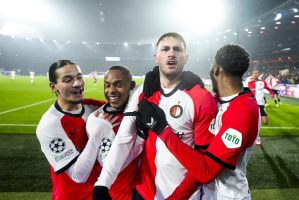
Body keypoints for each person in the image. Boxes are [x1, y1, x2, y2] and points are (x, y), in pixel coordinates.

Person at [93, 32, 217, 199]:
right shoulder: (143, 92)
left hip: (185, 196)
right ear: (156, 57)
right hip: (144, 192)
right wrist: (103, 183)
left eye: (177, 49)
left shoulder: (201, 98)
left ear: (186, 57)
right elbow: (124, 138)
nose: (171, 53)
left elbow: (205, 163)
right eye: (165, 49)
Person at [137, 44, 260, 200]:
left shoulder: (243, 112)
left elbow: (206, 171)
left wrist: (161, 129)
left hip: (228, 196)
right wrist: (165, 76)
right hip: (208, 194)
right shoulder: (221, 101)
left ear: (216, 70)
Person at [36, 60, 112, 200]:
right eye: (68, 80)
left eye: (79, 77)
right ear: (53, 87)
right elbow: (78, 176)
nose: (77, 84)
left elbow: (125, 107)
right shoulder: (49, 124)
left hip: (102, 194)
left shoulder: (93, 107)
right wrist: (98, 132)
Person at [86, 65, 144, 200]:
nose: (111, 90)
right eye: (107, 85)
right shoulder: (97, 119)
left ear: (131, 86)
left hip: (142, 192)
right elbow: (110, 162)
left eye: (118, 85)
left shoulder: (143, 113)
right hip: (111, 194)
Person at [247, 70, 274, 145]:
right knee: (252, 122)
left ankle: (256, 136)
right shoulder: (248, 83)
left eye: (257, 73)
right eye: (254, 73)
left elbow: (268, 88)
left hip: (261, 105)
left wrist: (272, 94)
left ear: (259, 74)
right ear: (252, 74)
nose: (255, 75)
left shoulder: (262, 82)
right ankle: (257, 137)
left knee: (265, 122)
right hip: (251, 105)